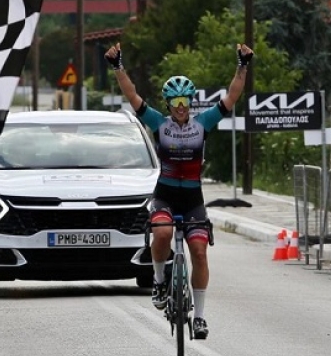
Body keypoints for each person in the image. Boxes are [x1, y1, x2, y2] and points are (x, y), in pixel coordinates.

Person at [104, 41, 252, 340]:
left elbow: (233, 95)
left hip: (193, 199)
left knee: (199, 252)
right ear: (168, 104)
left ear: (191, 102)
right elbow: (132, 95)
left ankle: (198, 317)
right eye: (176, 102)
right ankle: (159, 280)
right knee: (161, 234)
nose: (182, 107)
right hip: (166, 195)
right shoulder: (158, 123)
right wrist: (118, 66)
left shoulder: (203, 124)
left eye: (186, 101)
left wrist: (243, 65)